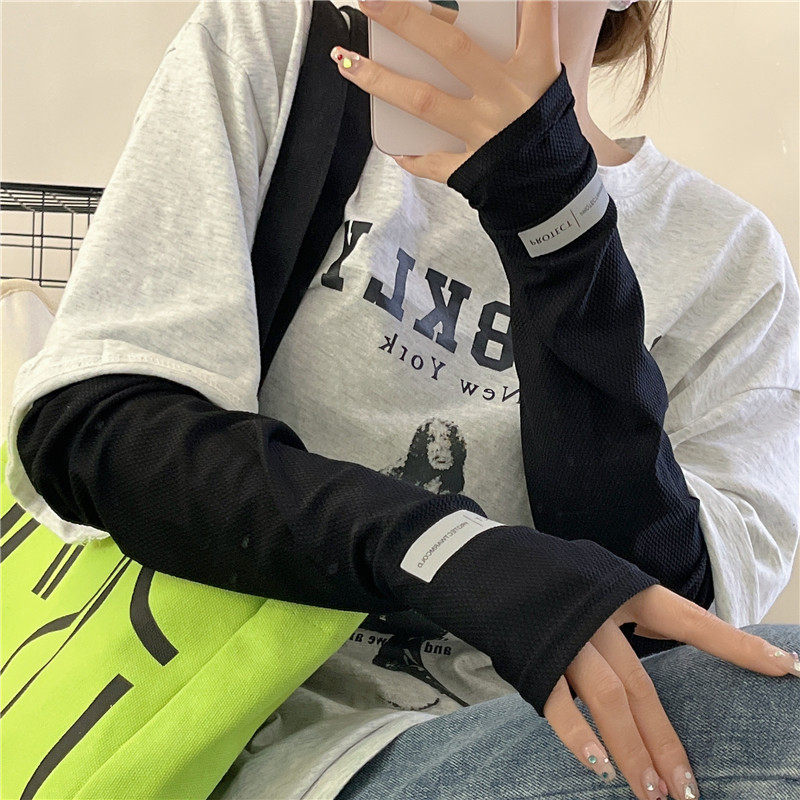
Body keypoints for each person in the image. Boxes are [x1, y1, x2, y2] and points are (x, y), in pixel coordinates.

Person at [6, 1, 799, 799]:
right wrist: (443, 552)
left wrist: (555, 219)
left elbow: (669, 629)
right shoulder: (281, 50)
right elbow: (94, 430)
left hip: (522, 744)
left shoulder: (729, 259)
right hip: (208, 722)